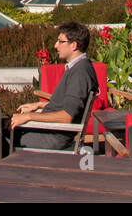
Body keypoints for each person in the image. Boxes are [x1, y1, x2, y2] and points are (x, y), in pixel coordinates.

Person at [9, 21, 99, 150]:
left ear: (74, 45)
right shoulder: (79, 67)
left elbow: (67, 116)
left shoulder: (80, 73)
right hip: (50, 132)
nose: (56, 46)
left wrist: (29, 116)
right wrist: (39, 105)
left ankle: (5, 168)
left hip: (52, 136)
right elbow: (70, 105)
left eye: (61, 42)